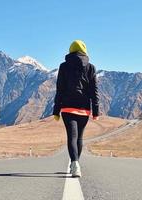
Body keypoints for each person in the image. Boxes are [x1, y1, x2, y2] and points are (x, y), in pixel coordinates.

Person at [53, 40, 100, 177]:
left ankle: (74, 163)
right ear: (84, 51)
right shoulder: (91, 67)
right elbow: (94, 90)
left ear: (70, 50)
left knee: (71, 137)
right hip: (84, 109)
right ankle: (75, 164)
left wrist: (56, 110)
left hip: (67, 107)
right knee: (79, 138)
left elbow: (60, 89)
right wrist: (96, 111)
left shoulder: (63, 66)